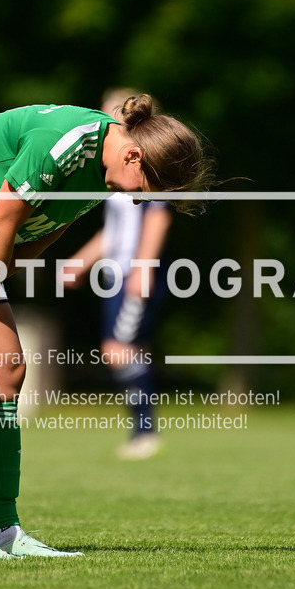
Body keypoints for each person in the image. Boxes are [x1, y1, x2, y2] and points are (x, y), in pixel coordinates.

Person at [0, 95, 215, 559]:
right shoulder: (65, 145)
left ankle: (4, 533)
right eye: (148, 188)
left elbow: (37, 235)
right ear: (134, 154)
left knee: (5, 373)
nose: (142, 199)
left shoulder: (106, 175)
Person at [66, 88, 173, 461]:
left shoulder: (147, 163)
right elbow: (113, 231)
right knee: (131, 351)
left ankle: (145, 432)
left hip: (132, 274)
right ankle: (143, 430)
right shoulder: (113, 168)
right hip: (117, 273)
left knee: (117, 350)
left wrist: (142, 269)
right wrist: (81, 260)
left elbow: (157, 215)